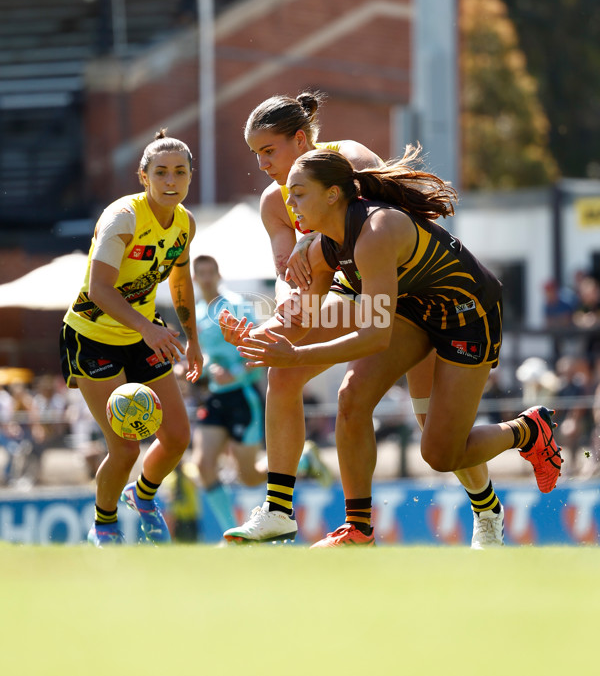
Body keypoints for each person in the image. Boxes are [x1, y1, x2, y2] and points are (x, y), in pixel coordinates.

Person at [226, 147, 563, 547]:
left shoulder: (375, 233)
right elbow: (305, 318)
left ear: (333, 194)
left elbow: (374, 337)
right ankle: (358, 528)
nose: (290, 203)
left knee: (439, 455)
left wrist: (295, 356)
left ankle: (528, 429)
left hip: (467, 316)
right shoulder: (324, 246)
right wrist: (255, 336)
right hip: (413, 311)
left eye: (298, 194)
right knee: (351, 397)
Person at [59, 129, 203, 547]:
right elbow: (99, 289)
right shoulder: (123, 216)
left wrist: (192, 340)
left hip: (144, 332)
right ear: (144, 177)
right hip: (92, 337)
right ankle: (103, 526)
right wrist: (147, 328)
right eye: (161, 172)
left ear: (191, 177)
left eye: (180, 172)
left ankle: (143, 497)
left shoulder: (184, 224)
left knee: (176, 437)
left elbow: (181, 282)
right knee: (124, 450)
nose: (171, 181)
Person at [191, 254, 267, 533]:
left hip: (243, 395)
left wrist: (234, 371)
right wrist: (203, 367)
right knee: (202, 464)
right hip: (216, 396)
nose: (207, 278)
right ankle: (229, 533)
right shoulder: (196, 311)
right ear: (195, 278)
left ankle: (303, 460)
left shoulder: (235, 305)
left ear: (218, 275)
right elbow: (206, 356)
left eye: (211, 272)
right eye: (201, 273)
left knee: (248, 477)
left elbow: (258, 346)